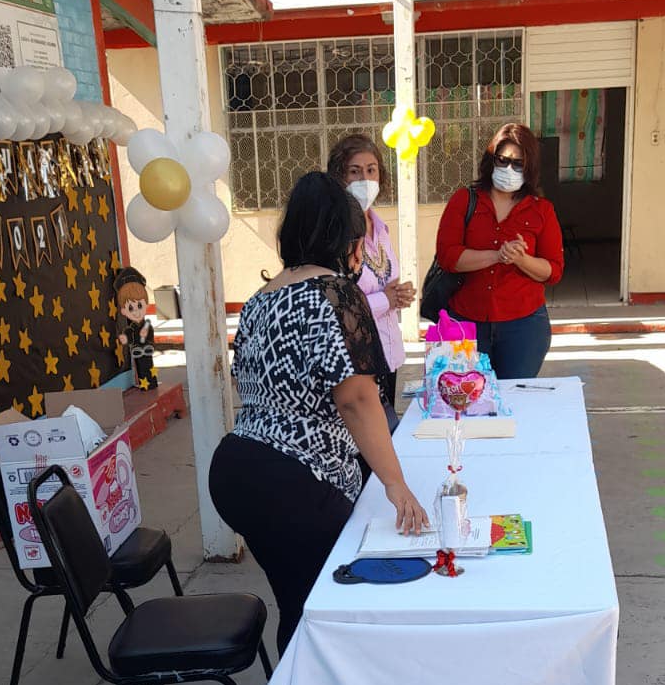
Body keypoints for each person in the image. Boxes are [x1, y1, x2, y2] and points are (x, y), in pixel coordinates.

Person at [209, 172, 429, 655]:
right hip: (295, 477)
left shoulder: (258, 301)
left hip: (236, 469)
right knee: (324, 610)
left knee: (299, 602)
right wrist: (395, 482)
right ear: (345, 241)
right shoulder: (336, 293)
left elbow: (246, 379)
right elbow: (357, 398)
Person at [434, 122, 564, 379]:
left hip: (523, 326)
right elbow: (448, 256)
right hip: (466, 321)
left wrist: (521, 259)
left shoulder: (542, 210)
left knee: (515, 403)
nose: (509, 169)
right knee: (466, 401)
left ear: (529, 168)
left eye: (518, 164)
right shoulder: (465, 200)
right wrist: (497, 255)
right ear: (491, 159)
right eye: (503, 160)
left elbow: (554, 271)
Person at [327, 133, 413, 408]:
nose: (365, 179)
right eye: (355, 171)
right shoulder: (335, 235)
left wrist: (398, 295)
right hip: (357, 358)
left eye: (371, 170)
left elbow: (387, 281)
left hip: (388, 353)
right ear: (340, 178)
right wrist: (384, 300)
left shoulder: (380, 227)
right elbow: (333, 306)